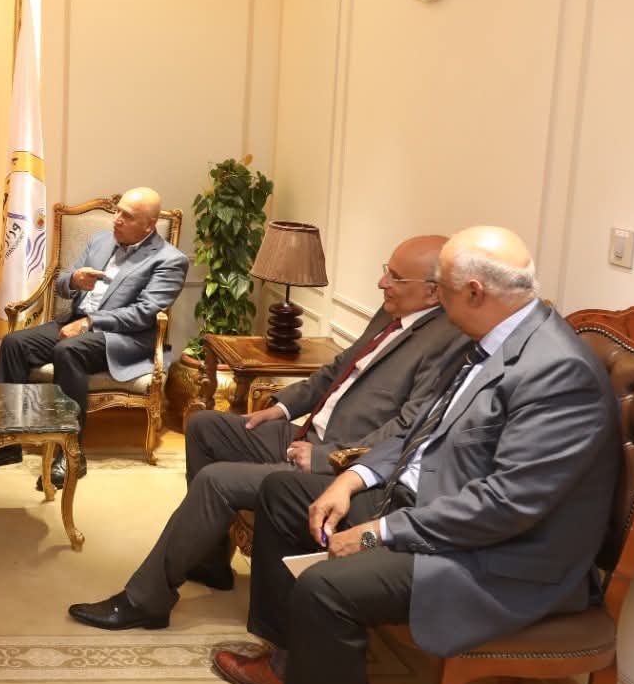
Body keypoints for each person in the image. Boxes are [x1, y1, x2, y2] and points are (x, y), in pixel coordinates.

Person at [211, 226, 620, 684]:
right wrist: (353, 479)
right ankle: (288, 664)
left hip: (500, 556)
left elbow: (508, 505)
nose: (436, 303)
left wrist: (378, 532)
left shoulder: (557, 371)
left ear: (474, 292)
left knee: (327, 589)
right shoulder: (493, 336)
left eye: (443, 291)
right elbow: (418, 431)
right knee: (285, 493)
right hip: (433, 505)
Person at [68, 235, 468, 629]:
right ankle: (211, 560)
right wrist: (281, 407)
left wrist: (327, 458)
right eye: (386, 271)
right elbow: (337, 369)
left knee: (216, 481)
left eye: (395, 277)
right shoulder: (390, 313)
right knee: (205, 425)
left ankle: (145, 600)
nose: (382, 283)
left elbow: (409, 429)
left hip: (338, 461)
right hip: (305, 434)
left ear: (433, 292)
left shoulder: (447, 342)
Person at [0, 186, 189, 489]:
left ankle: (70, 453)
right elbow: (61, 283)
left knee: (68, 350)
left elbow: (143, 314)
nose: (117, 219)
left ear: (149, 226)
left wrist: (91, 321)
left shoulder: (170, 259)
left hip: (122, 338)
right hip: (75, 322)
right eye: (117, 211)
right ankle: (7, 443)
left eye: (127, 216)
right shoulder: (100, 240)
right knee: (15, 344)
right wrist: (75, 281)